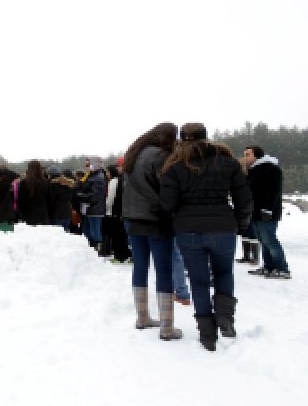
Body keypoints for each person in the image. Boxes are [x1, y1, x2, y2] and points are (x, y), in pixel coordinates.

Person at [160, 123, 253, 351]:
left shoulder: (175, 167)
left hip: (188, 230)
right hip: (223, 226)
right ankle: (225, 318)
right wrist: (240, 225)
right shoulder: (228, 163)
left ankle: (206, 333)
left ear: (182, 140)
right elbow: (244, 199)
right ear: (207, 137)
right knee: (223, 272)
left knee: (198, 280)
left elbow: (168, 204)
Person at [121, 122, 182, 341]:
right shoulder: (161, 157)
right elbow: (166, 190)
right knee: (163, 270)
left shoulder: (133, 155)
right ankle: (166, 327)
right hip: (156, 219)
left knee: (140, 266)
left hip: (132, 218)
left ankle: (143, 317)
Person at [244, 145, 291, 279]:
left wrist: (268, 209)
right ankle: (269, 266)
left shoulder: (271, 168)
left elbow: (274, 191)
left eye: (248, 154)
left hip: (267, 212)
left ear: (256, 155)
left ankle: (282, 269)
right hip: (255, 211)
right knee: (263, 240)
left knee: (270, 240)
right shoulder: (254, 170)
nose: (245, 158)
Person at [77, 157, 107, 251]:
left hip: (95, 209)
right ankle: (90, 250)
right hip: (88, 208)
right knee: (87, 231)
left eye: (88, 164)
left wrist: (79, 195)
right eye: (86, 165)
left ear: (95, 164)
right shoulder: (90, 175)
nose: (87, 167)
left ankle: (97, 250)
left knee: (95, 232)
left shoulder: (98, 177)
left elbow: (95, 196)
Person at [104, 163, 130, 261]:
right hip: (120, 211)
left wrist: (107, 208)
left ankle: (119, 256)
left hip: (113, 212)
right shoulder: (120, 180)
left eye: (107, 172)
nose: (106, 174)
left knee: (116, 235)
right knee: (121, 234)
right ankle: (123, 254)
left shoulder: (113, 182)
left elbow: (110, 198)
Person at [17, 160, 51, 226]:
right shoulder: (46, 183)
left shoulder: (23, 183)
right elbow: (49, 201)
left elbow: (20, 201)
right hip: (43, 216)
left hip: (27, 216)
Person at [48, 166, 74, 232]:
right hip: (67, 214)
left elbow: (51, 201)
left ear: (51, 175)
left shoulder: (52, 186)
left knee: (57, 237)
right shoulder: (68, 184)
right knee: (66, 235)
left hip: (56, 214)